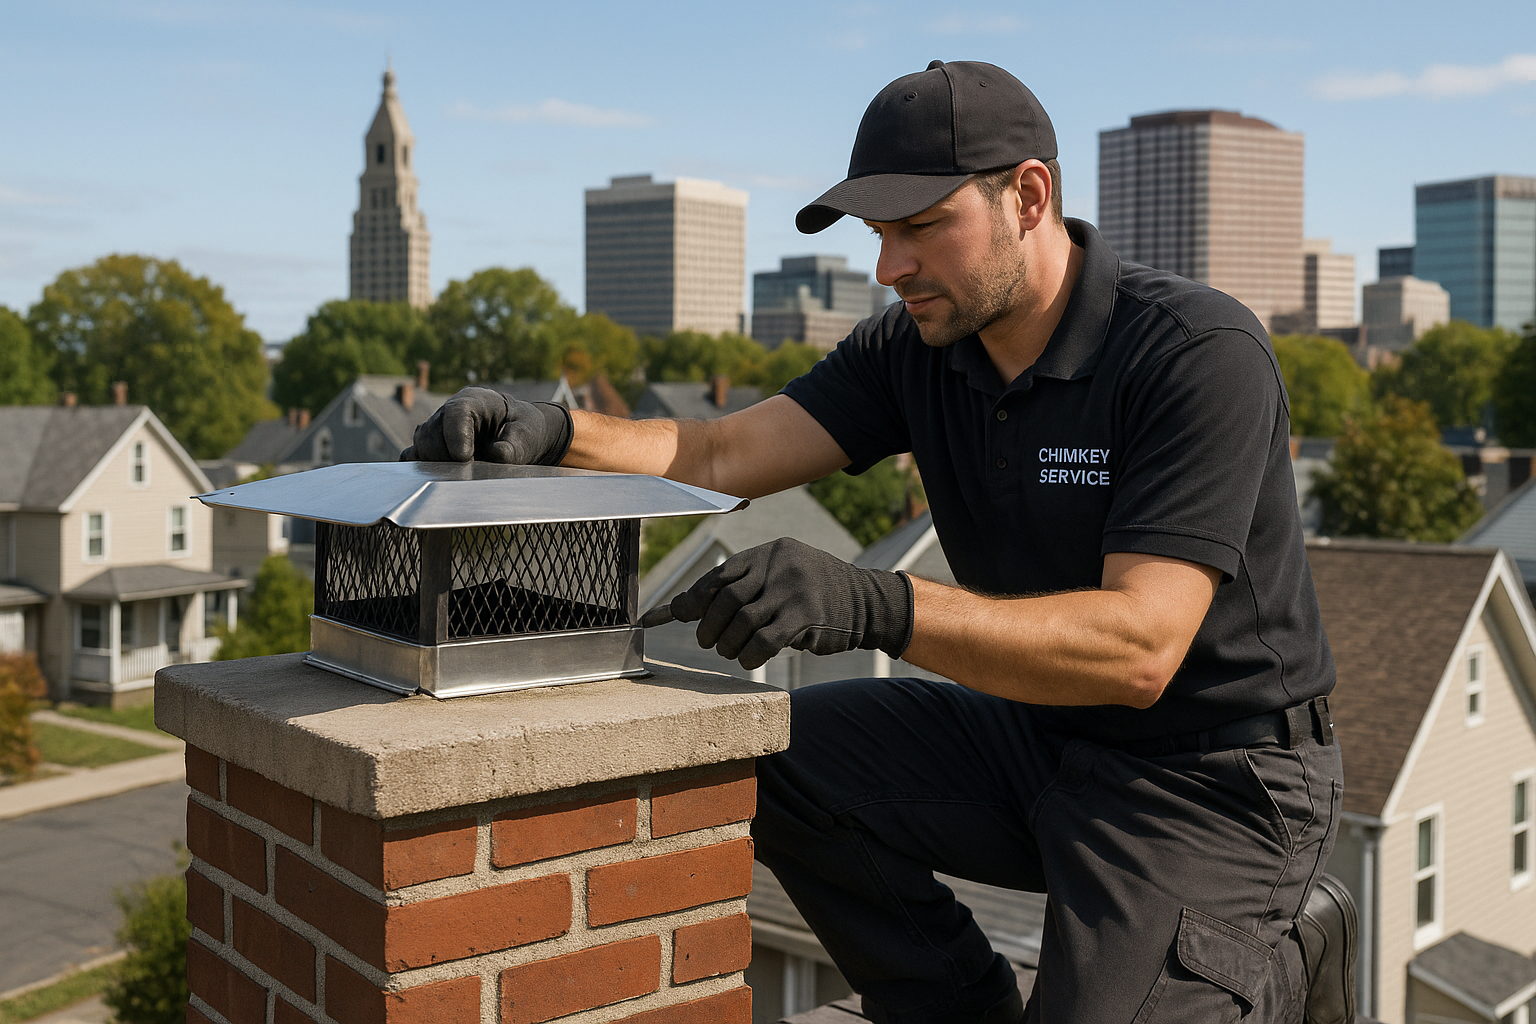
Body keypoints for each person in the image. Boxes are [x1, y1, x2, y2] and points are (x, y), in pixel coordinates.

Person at [403, 61, 1347, 1024]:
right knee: (773, 758)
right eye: (877, 236)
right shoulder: (917, 348)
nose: (890, 268)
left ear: (1028, 195)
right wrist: (555, 433)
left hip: (1211, 782)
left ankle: (1279, 955)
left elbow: (1141, 647)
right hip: (1036, 734)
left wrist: (872, 603)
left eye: (920, 227)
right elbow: (722, 449)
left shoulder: (1194, 354)